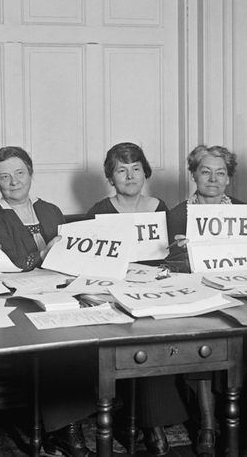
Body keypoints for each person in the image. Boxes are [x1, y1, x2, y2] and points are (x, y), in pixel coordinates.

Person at [0, 146, 95, 457]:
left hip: (62, 292)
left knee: (84, 336)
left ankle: (67, 426)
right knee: (56, 344)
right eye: (5, 177)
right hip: (20, 303)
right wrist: (46, 254)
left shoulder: (50, 210)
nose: (14, 181)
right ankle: (67, 432)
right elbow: (16, 263)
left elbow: (72, 256)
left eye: (20, 173)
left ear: (30, 173)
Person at [86, 142, 185, 456]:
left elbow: (170, 258)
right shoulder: (99, 212)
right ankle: (151, 424)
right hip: (113, 294)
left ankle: (151, 421)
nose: (129, 176)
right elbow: (90, 264)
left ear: (145, 172)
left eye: (135, 168)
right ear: (110, 177)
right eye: (120, 170)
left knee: (153, 331)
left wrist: (180, 247)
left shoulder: (160, 208)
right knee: (137, 333)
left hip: (155, 291)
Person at [165, 144, 243, 457]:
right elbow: (163, 267)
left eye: (220, 172)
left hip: (232, 294)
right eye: (205, 171)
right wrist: (180, 252)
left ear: (229, 179)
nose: (213, 178)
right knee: (203, 337)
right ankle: (208, 424)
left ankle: (239, 416)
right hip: (191, 296)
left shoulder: (241, 212)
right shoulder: (175, 214)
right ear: (194, 175)